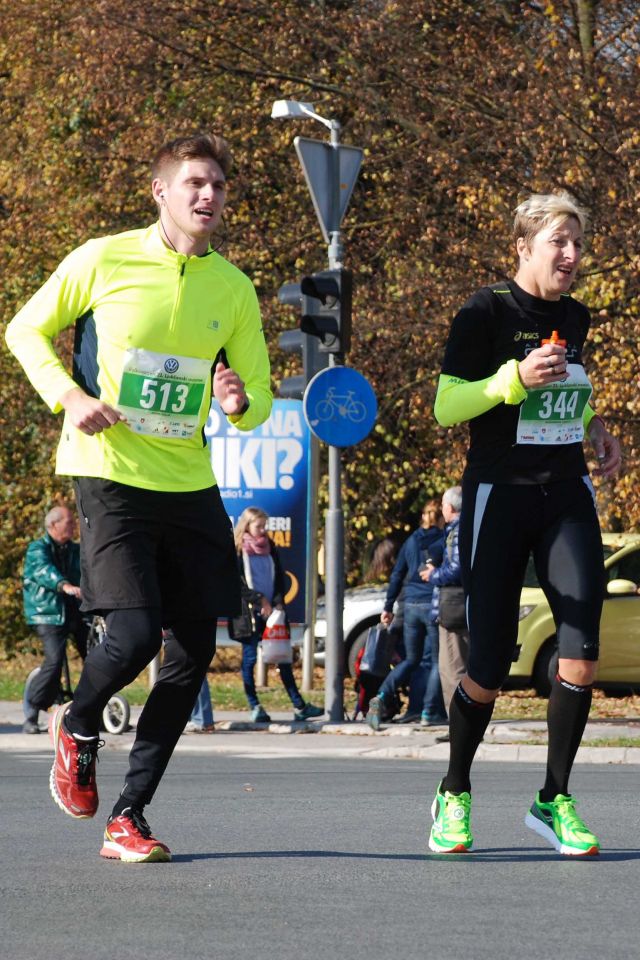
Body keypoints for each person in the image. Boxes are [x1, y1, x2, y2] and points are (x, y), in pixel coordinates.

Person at [5, 132, 272, 863]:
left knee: (188, 661)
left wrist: (240, 398)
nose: (208, 195)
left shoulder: (234, 287)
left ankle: (130, 814)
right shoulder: (103, 257)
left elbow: (258, 401)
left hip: (188, 483)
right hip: (111, 471)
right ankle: (78, 721)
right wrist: (67, 394)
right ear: (161, 191)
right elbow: (24, 327)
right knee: (130, 635)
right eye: (193, 183)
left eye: (217, 184)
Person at [427, 191, 621, 857]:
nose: (571, 255)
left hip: (565, 491)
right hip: (499, 494)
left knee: (581, 652)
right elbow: (446, 406)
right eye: (558, 243)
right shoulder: (484, 312)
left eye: (577, 243)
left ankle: (553, 798)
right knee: (486, 664)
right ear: (523, 246)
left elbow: (571, 390)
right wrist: (513, 378)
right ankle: (454, 791)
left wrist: (596, 429)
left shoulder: (577, 316)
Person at [231, 507, 323, 723]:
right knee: (250, 659)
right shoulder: (237, 549)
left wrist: (277, 602)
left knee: (283, 659)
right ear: (247, 525)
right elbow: (236, 584)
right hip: (249, 615)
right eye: (259, 526)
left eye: (265, 526)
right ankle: (255, 706)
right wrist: (258, 599)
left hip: (272, 613)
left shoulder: (269, 547)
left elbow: (279, 578)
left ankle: (299, 706)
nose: (263, 531)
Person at [367, 499, 445, 729]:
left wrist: (388, 606)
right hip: (431, 604)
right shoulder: (443, 540)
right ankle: (429, 712)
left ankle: (381, 696)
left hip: (409, 605)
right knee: (434, 663)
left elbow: (397, 574)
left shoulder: (411, 541)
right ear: (440, 517)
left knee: (412, 660)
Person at [21, 505, 88, 734]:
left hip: (74, 611)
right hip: (47, 613)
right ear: (53, 525)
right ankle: (32, 711)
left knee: (99, 656)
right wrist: (64, 585)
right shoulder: (37, 549)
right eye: (69, 522)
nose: (73, 526)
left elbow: (87, 570)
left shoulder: (74, 550)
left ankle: (92, 708)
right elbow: (43, 570)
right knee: (54, 660)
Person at [420, 486, 466, 727]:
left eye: (443, 505)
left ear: (449, 507)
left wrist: (434, 574)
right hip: (463, 606)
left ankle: (459, 727)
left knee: (452, 670)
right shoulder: (470, 528)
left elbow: (457, 569)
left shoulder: (457, 531)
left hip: (452, 608)